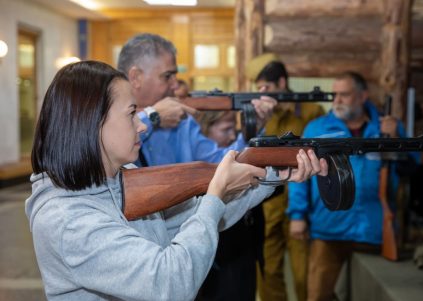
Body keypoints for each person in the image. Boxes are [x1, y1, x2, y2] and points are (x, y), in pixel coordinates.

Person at [25, 60, 328, 301]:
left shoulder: (117, 184)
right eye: (132, 114)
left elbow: (192, 218)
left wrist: (273, 174)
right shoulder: (67, 221)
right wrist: (214, 196)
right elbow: (170, 283)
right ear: (92, 122)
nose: (142, 126)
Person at [287, 71, 412, 301]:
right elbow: (299, 177)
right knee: (318, 295)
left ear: (362, 96)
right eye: (334, 94)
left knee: (373, 293)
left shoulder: (387, 127)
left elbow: (411, 170)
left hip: (374, 230)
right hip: (328, 229)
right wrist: (297, 215)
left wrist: (395, 141)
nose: (337, 100)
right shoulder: (316, 128)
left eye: (344, 94)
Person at [117, 33, 277, 166]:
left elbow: (219, 164)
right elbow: (113, 150)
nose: (175, 85)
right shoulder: (103, 118)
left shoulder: (183, 123)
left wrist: (251, 131)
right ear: (136, 77)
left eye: (175, 75)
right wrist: (153, 117)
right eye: (167, 76)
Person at [245, 53, 325, 301]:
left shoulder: (312, 111)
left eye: (266, 87)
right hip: (269, 204)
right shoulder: (263, 113)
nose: (262, 94)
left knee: (304, 275)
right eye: (258, 89)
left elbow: (320, 159)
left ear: (282, 82)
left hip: (301, 205)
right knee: (268, 273)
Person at [195, 111, 264, 301]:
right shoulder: (195, 174)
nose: (233, 136)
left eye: (234, 129)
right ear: (204, 134)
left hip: (245, 249)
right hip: (219, 259)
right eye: (225, 130)